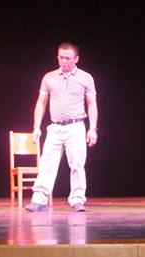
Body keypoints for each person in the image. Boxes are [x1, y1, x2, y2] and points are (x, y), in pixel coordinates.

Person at [25, 42, 98, 212]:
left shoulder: (86, 78)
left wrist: (93, 128)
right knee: (47, 163)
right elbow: (41, 103)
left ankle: (77, 200)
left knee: (77, 164)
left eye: (68, 58)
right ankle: (39, 200)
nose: (64, 61)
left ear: (76, 59)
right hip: (55, 127)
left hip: (76, 126)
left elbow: (92, 104)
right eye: (61, 57)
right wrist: (36, 127)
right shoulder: (49, 77)